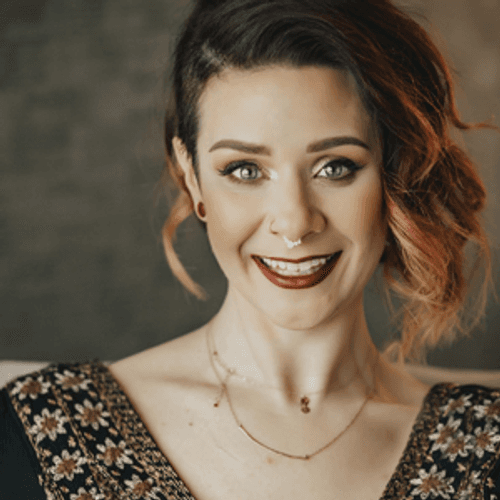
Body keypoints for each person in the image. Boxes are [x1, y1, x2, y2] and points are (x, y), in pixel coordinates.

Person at [1, 0, 499, 498]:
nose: (294, 223)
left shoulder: (485, 441)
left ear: (397, 174)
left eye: (335, 167)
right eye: (245, 170)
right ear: (191, 177)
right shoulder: (41, 427)